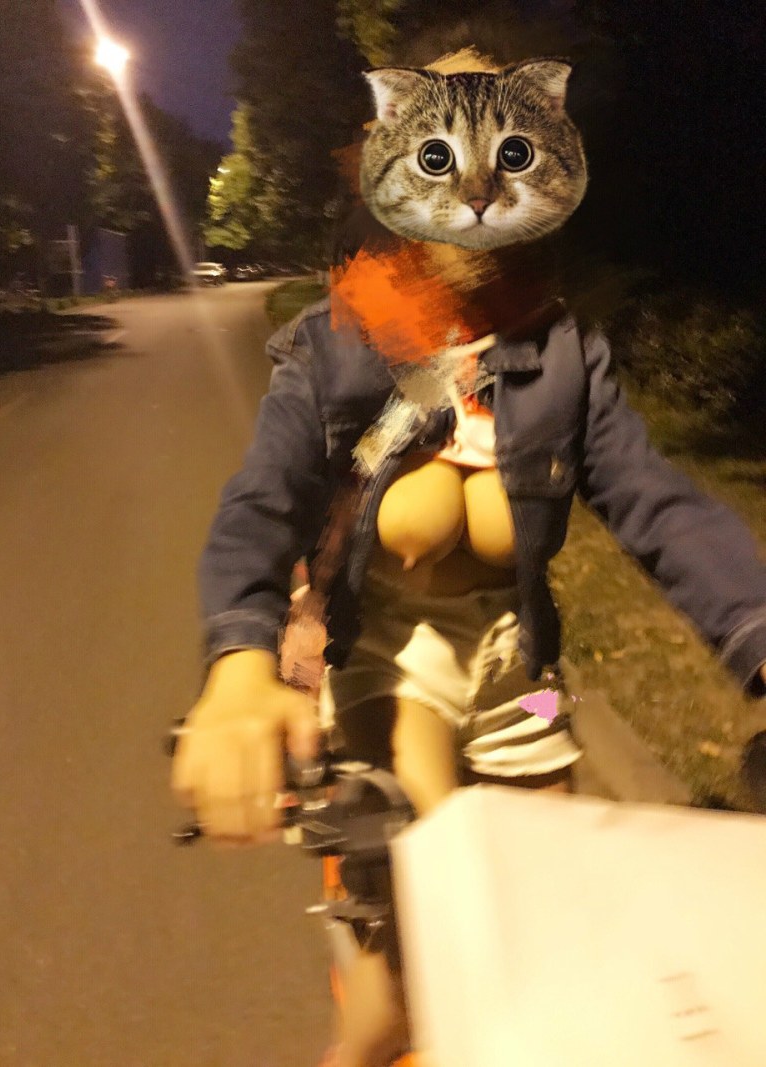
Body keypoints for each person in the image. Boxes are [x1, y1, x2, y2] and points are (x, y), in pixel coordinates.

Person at [173, 51, 766, 1067]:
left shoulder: (563, 354)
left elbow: (661, 506)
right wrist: (237, 666)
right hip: (378, 661)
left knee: (568, 926)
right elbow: (260, 503)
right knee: (404, 973)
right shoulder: (333, 346)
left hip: (516, 670)